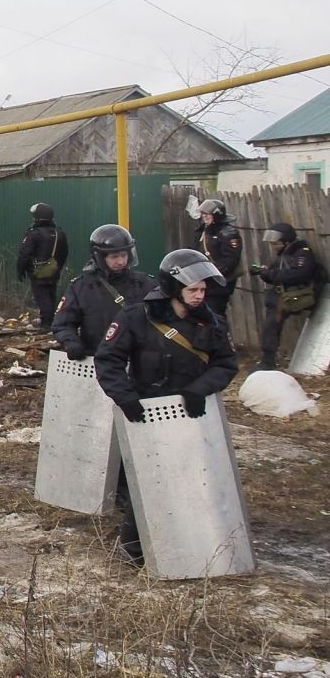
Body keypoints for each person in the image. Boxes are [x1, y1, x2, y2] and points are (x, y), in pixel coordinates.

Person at [94, 249, 238, 564]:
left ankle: (194, 549)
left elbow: (226, 364)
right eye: (193, 289)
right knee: (146, 484)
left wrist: (200, 389)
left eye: (203, 289)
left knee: (193, 479)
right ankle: (133, 551)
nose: (200, 296)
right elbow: (109, 359)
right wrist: (125, 397)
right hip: (147, 413)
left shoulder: (211, 323)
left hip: (192, 414)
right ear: (174, 288)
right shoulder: (136, 318)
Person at [51, 224, 154, 362]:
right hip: (99, 360)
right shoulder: (80, 287)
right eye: (114, 256)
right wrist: (70, 342)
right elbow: (63, 323)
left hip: (139, 361)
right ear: (99, 256)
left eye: (124, 255)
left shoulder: (144, 283)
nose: (121, 261)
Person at [253, 221, 321, 367]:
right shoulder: (284, 253)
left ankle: (268, 362)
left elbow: (298, 274)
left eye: (276, 242)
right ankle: (268, 360)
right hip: (281, 297)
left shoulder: (302, 252)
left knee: (271, 328)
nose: (273, 246)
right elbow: (275, 273)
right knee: (270, 329)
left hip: (293, 297)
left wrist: (270, 273)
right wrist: (263, 272)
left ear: (286, 240)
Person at [15, 203, 70, 328]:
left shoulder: (34, 233)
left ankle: (46, 324)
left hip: (38, 271)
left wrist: (20, 270)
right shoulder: (59, 233)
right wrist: (57, 267)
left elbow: (25, 253)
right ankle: (51, 321)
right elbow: (64, 252)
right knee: (51, 294)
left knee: (42, 296)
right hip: (54, 270)